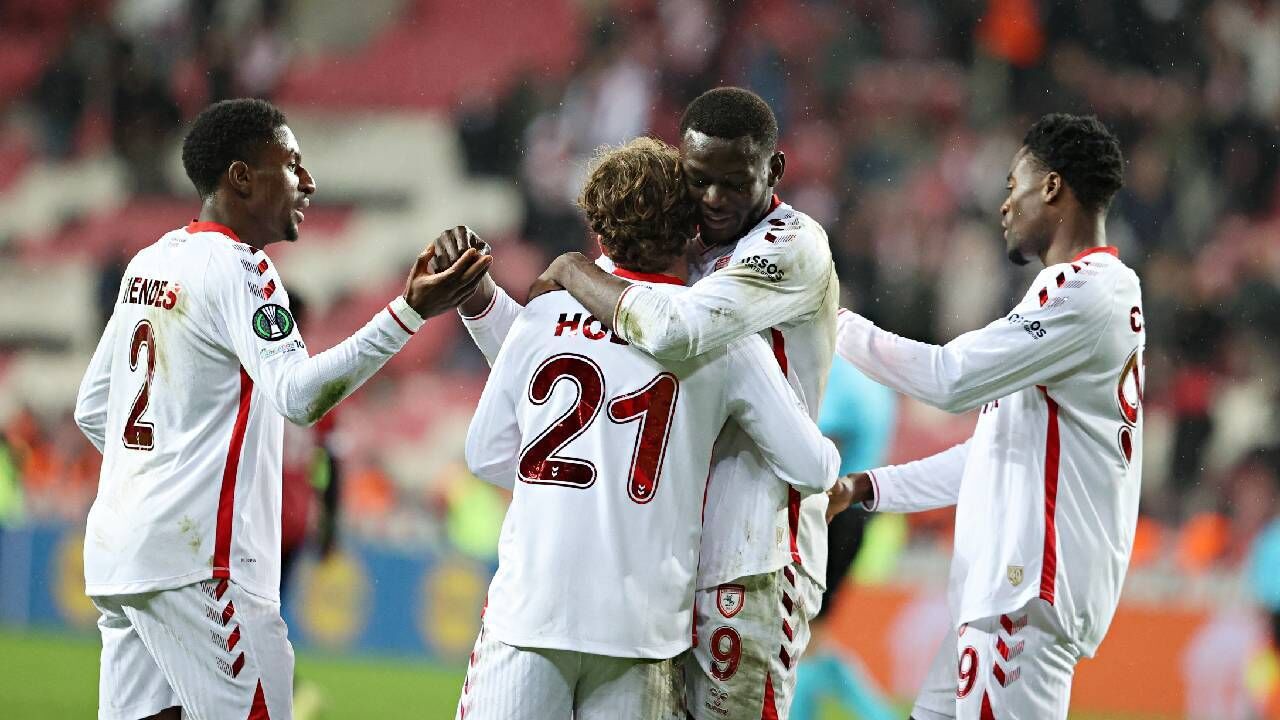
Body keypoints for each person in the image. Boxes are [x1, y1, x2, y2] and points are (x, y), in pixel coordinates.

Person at [73, 98, 491, 720]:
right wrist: (408, 313)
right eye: (292, 164)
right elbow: (298, 396)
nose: (309, 182)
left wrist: (158, 480)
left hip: (119, 555)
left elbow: (92, 407)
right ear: (242, 177)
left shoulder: (150, 261)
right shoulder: (243, 267)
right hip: (200, 565)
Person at [449, 86, 839, 719]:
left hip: (563, 602)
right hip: (652, 617)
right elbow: (814, 464)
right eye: (699, 183)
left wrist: (567, 271)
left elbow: (495, 448)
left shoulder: (554, 308)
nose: (714, 199)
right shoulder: (728, 337)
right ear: (683, 215)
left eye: (731, 182)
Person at [826, 113, 1143, 719]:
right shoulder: (1077, 293)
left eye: (1012, 185)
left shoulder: (1084, 292)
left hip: (1025, 596)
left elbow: (950, 379)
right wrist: (868, 487)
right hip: (999, 598)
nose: (1005, 204)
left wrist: (832, 323)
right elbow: (994, 450)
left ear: (1051, 187)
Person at [790, 355, 897, 720]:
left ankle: (874, 714)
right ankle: (876, 713)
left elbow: (824, 443)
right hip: (856, 512)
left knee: (804, 630)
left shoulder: (838, 372)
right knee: (813, 632)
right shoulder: (874, 380)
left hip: (834, 512)